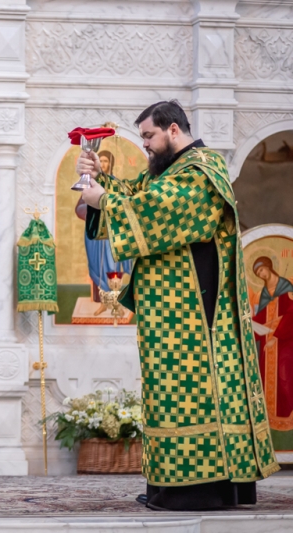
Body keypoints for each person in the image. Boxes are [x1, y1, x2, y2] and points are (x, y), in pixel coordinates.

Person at [77, 100, 279, 511]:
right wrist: (102, 180)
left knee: (188, 390)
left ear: (173, 130)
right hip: (168, 308)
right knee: (165, 390)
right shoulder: (171, 171)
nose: (146, 146)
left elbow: (163, 210)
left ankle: (197, 489)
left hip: (194, 312)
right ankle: (168, 485)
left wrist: (104, 201)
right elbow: (141, 194)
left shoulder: (202, 169)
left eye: (149, 136)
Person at [74, 150, 132, 315]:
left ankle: (115, 302)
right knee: (95, 266)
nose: (104, 164)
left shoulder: (116, 185)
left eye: (107, 161)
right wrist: (94, 209)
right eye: (102, 161)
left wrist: (107, 206)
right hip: (94, 237)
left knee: (112, 265)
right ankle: (101, 301)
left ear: (111, 164)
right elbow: (78, 209)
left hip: (110, 236)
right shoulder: (90, 185)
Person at [252, 256, 293, 448]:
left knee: (285, 379)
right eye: (257, 273)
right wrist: (251, 323)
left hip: (285, 343)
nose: (261, 274)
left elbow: (291, 313)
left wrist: (276, 335)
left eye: (261, 270)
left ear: (269, 267)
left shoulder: (285, 287)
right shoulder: (264, 293)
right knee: (268, 381)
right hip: (268, 347)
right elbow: (260, 316)